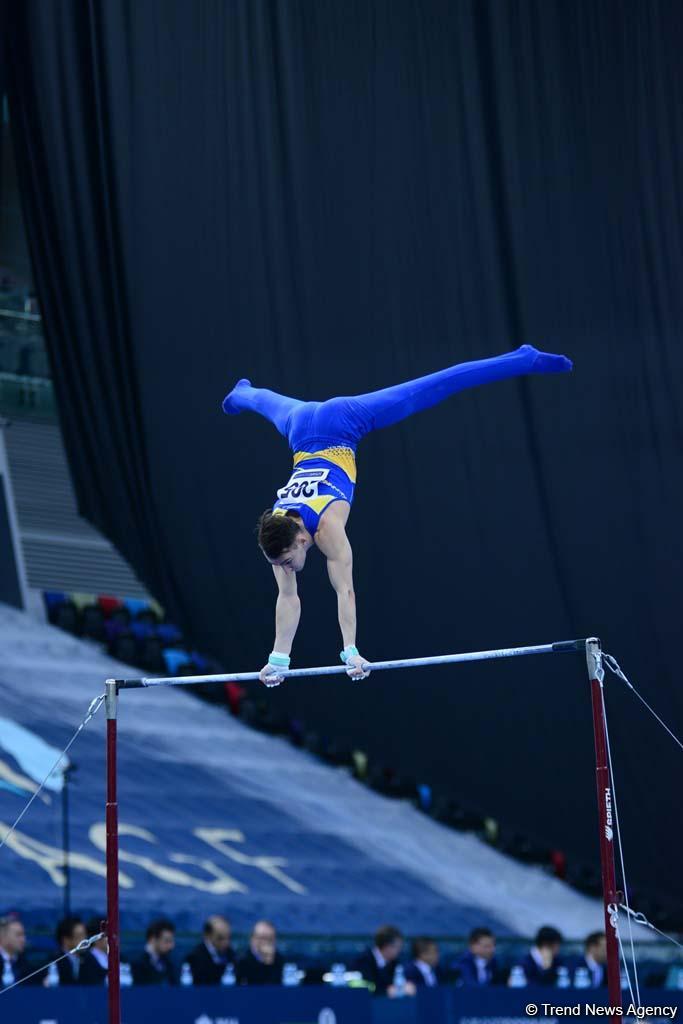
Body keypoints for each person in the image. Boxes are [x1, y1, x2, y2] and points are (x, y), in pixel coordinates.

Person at [222, 345, 573, 686]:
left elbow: (345, 590)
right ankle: (242, 393)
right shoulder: (277, 532)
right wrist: (278, 660)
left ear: (302, 538)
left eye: (286, 561)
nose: (285, 568)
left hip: (342, 423)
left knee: (433, 387)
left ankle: (523, 359)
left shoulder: (327, 528)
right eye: (279, 563)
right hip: (299, 428)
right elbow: (287, 598)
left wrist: (350, 652)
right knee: (262, 402)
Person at [352, 924, 414, 996]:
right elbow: (365, 988)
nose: (400, 951)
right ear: (386, 946)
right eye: (398, 947)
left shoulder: (395, 963)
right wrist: (386, 991)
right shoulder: (362, 961)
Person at [186, 915, 236, 985]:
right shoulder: (195, 958)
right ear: (207, 936)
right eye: (220, 938)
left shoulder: (232, 955)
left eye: (229, 938)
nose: (226, 942)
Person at [236, 920, 284, 986]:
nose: (265, 942)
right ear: (252, 939)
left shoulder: (280, 960)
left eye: (270, 939)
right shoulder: (241, 961)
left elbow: (277, 988)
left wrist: (269, 963)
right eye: (262, 938)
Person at [131, 918, 177, 986]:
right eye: (167, 941)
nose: (171, 946)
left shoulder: (171, 963)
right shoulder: (135, 962)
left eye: (172, 941)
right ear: (152, 939)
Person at [0, 915, 31, 989]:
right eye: (18, 935)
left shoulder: (25, 963)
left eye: (24, 935)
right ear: (3, 936)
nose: (23, 940)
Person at [55, 916, 86, 985]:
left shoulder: (90, 960)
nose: (85, 940)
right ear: (66, 940)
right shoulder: (55, 962)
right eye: (80, 936)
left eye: (84, 935)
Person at [79, 917, 109, 986]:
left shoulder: (121, 958)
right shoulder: (84, 960)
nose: (115, 937)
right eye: (107, 935)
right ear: (97, 938)